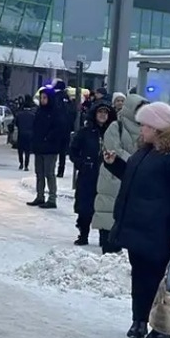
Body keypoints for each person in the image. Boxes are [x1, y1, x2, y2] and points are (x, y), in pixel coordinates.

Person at [103, 102, 170, 338]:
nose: (141, 129)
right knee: (140, 274)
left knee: (161, 279)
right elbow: (134, 178)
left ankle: (162, 326)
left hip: (161, 228)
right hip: (138, 224)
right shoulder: (147, 150)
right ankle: (139, 320)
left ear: (158, 128)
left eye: (145, 125)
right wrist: (114, 163)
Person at [92, 93, 149, 254]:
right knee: (108, 210)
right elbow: (113, 149)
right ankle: (108, 247)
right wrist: (136, 161)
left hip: (134, 177)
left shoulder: (147, 130)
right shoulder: (116, 126)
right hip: (113, 175)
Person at [70, 102, 117, 245]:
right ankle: (83, 234)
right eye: (100, 112)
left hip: (107, 175)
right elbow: (73, 150)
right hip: (88, 175)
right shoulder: (85, 132)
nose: (103, 115)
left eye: (105, 113)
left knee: (105, 207)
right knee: (85, 206)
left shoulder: (113, 133)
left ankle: (105, 237)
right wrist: (81, 164)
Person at [27, 87, 62, 209]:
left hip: (50, 149)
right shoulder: (39, 111)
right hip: (39, 148)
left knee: (49, 173)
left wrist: (48, 138)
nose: (42, 100)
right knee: (39, 173)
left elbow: (58, 129)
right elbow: (35, 128)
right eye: (41, 98)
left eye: (45, 97)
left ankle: (52, 198)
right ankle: (40, 196)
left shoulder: (56, 112)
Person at [14, 95, 36, 171]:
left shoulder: (19, 114)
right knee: (27, 151)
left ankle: (21, 163)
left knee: (20, 150)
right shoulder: (33, 115)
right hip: (30, 134)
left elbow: (16, 123)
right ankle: (26, 165)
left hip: (21, 134)